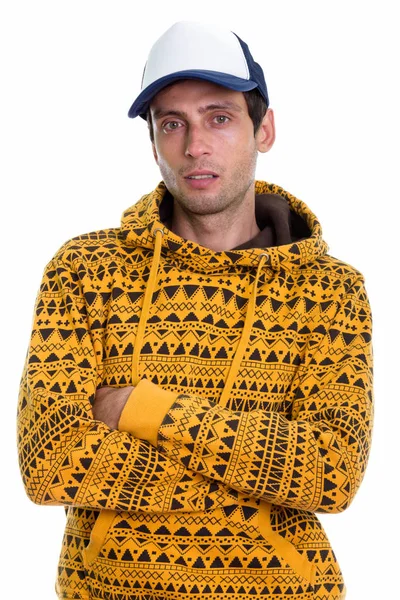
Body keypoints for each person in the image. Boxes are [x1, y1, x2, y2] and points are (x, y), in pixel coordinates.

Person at [17, 20, 373, 600]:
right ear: (153, 140)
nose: (195, 146)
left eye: (220, 117)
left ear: (265, 129)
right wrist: (257, 479)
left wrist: (142, 407)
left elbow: (329, 473)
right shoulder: (86, 270)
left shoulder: (330, 291)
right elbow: (48, 459)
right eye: (172, 123)